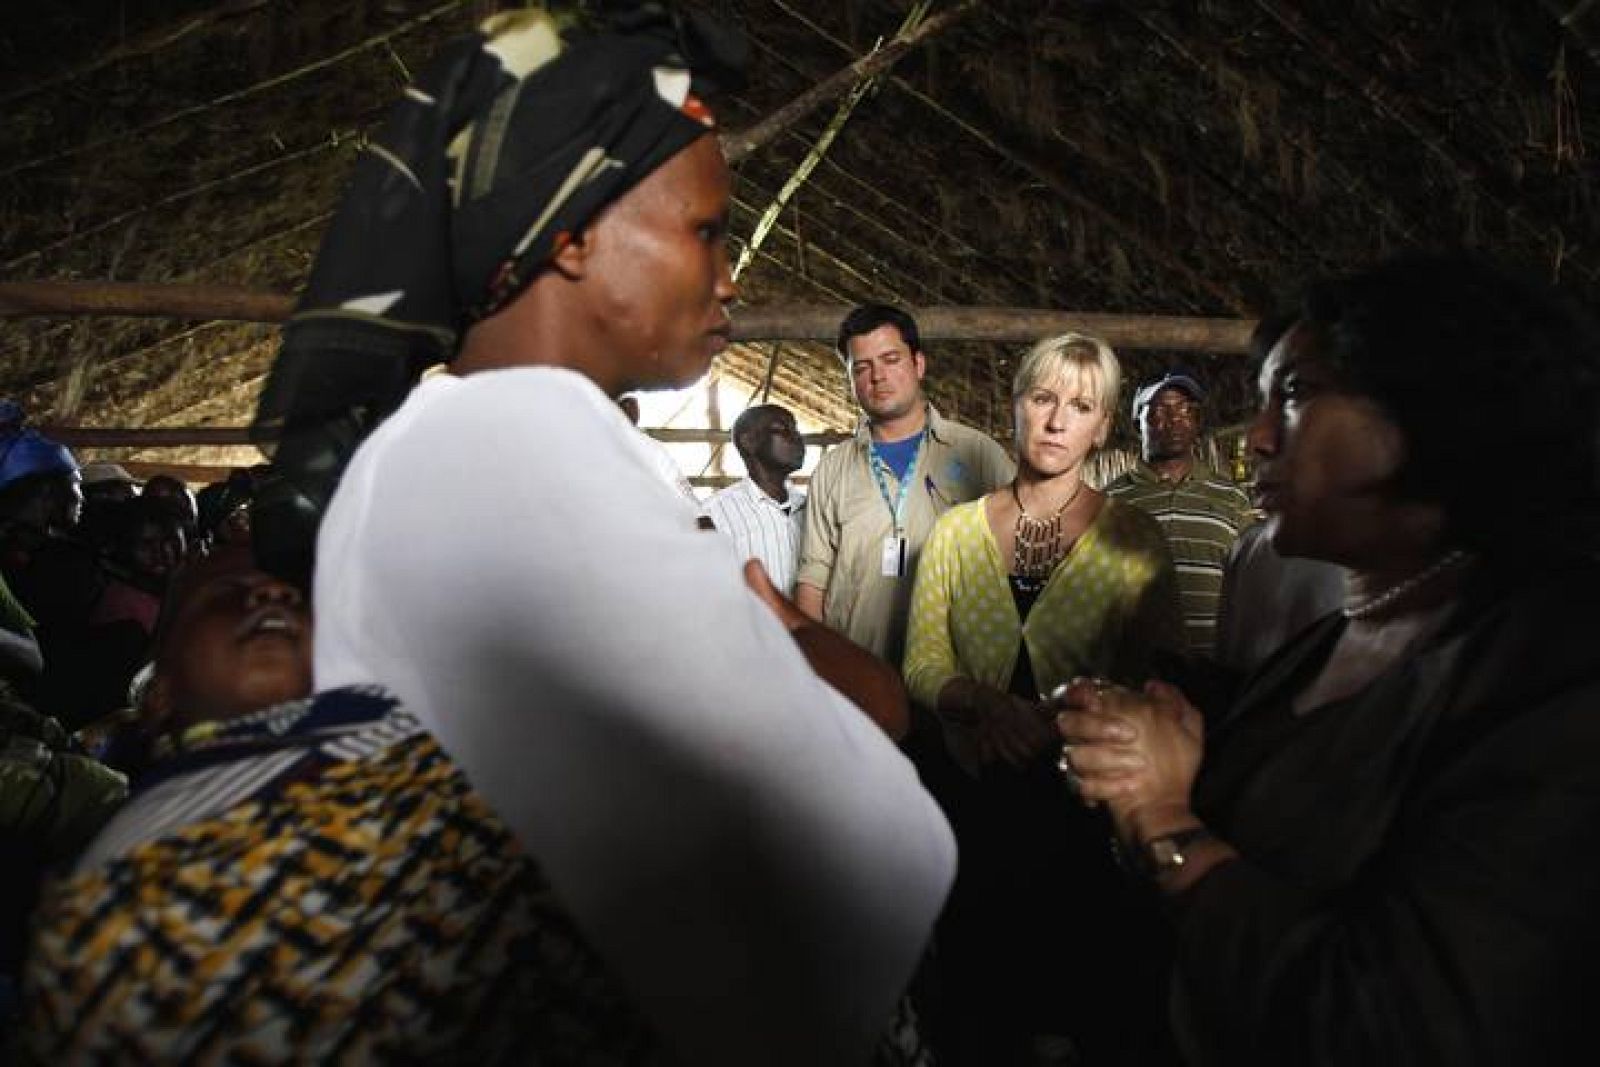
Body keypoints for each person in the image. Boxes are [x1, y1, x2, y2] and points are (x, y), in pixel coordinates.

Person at [250, 7, 953, 1066]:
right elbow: (873, 841)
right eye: (704, 230)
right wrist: (798, 646)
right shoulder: (523, 449)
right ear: (569, 234)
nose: (729, 276)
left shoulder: (448, 449)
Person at [1056, 252, 1600, 1065]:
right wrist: (1149, 736)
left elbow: (1408, 1027)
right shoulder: (1341, 631)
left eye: (1299, 394)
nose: (1262, 436)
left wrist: (1166, 824)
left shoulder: (1556, 676)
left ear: (1437, 406)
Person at [902, 333, 1182, 1065]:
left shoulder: (1134, 538)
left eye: (1081, 405)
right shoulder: (958, 532)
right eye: (1043, 398)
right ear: (1016, 404)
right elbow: (922, 661)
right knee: (980, 999)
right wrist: (983, 703)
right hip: (977, 791)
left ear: (1105, 423)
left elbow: (1155, 674)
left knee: (1083, 1003)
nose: (1058, 419)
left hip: (1086, 809)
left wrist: (1061, 718)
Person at [797, 304, 1013, 664]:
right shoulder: (832, 469)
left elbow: (1020, 553)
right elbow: (813, 578)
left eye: (890, 359)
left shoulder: (978, 453)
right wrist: (821, 668)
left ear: (919, 364)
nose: (877, 377)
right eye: (862, 367)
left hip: (956, 675)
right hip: (860, 673)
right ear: (850, 380)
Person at [1107, 369, 1253, 659]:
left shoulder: (1231, 496)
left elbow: (1248, 581)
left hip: (1212, 665)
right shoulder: (1112, 499)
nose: (1174, 420)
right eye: (1160, 410)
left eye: (1185, 410)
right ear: (1138, 423)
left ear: (1196, 422)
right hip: (1136, 665)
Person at [701, 403, 807, 594]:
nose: (797, 438)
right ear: (749, 442)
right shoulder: (714, 515)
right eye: (782, 429)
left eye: (796, 429)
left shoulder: (811, 509)